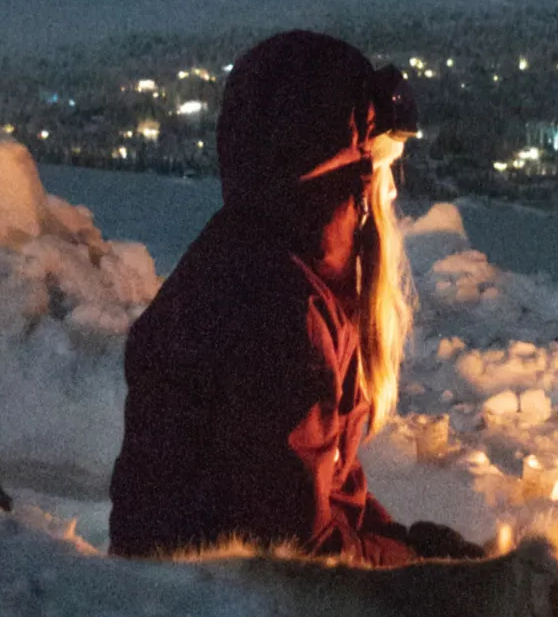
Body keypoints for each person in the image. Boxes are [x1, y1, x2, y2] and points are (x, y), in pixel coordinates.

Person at [109, 30, 482, 566]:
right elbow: (297, 556)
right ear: (345, 184)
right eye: (382, 168)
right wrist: (413, 568)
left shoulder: (281, 273)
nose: (392, 192)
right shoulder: (279, 312)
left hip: (205, 603)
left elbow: (326, 489)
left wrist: (401, 544)